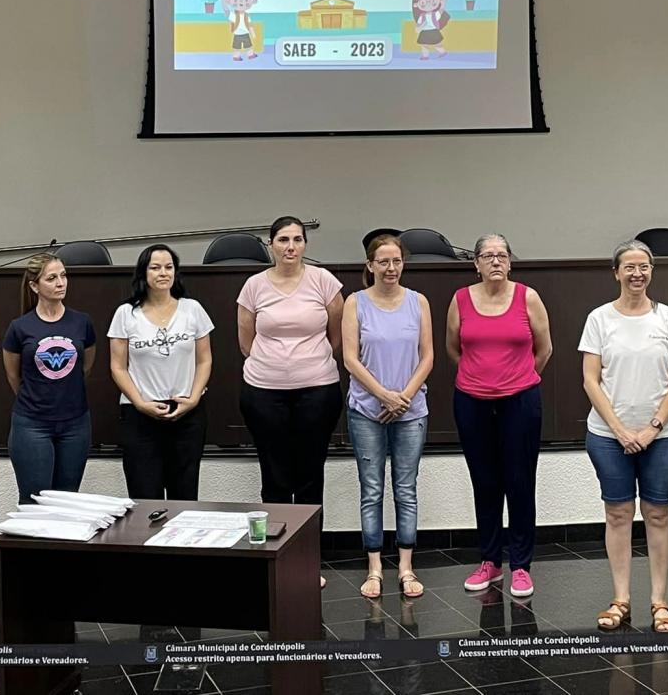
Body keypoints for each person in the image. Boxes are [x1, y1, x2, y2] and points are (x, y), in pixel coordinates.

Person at [579, 239, 668, 633]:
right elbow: (590, 380)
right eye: (629, 267)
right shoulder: (599, 319)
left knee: (658, 514)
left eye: (644, 266)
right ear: (616, 273)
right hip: (608, 436)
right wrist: (621, 430)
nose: (637, 273)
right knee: (618, 514)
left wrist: (652, 428)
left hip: (665, 436)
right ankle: (620, 600)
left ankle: (660, 602)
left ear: (651, 271)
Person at [237, 216, 344, 587]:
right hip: (263, 392)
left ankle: (309, 562)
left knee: (311, 476)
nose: (291, 247)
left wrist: (306, 364)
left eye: (298, 239)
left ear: (305, 245)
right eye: (283, 239)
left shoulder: (324, 281)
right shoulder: (254, 286)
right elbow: (246, 341)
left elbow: (336, 335)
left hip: (318, 390)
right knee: (275, 477)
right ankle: (277, 561)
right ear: (271, 244)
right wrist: (277, 367)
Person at [446, 233, 552, 598]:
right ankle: (490, 561)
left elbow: (544, 349)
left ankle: (521, 566)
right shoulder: (461, 299)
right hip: (471, 402)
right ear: (476, 263)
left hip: (520, 401)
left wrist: (515, 380)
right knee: (485, 482)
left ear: (509, 261)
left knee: (520, 482)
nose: (496, 261)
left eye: (502, 255)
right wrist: (480, 379)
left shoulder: (528, 297)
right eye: (488, 255)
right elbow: (453, 349)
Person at [342, 233, 433, 600]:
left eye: (396, 261)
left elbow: (427, 356)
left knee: (406, 489)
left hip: (411, 410)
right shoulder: (355, 302)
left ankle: (406, 567)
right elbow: (350, 358)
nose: (391, 268)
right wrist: (383, 395)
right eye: (383, 262)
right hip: (367, 409)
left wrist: (403, 398)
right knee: (372, 489)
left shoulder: (418, 301)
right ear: (370, 265)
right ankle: (375, 568)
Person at [108, 244, 214, 499]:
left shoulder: (192, 309)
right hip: (140, 414)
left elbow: (204, 360)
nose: (163, 273)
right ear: (143, 272)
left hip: (186, 412)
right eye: (155, 267)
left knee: (184, 495)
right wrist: (140, 403)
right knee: (144, 495)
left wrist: (194, 398)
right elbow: (118, 367)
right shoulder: (126, 313)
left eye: (169, 267)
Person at [2, 252, 97, 505]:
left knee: (67, 501)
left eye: (63, 276)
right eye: (52, 278)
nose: (60, 283)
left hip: (75, 423)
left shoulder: (82, 322)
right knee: (35, 501)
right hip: (32, 424)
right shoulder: (19, 327)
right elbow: (13, 375)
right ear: (35, 286)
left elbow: (86, 367)